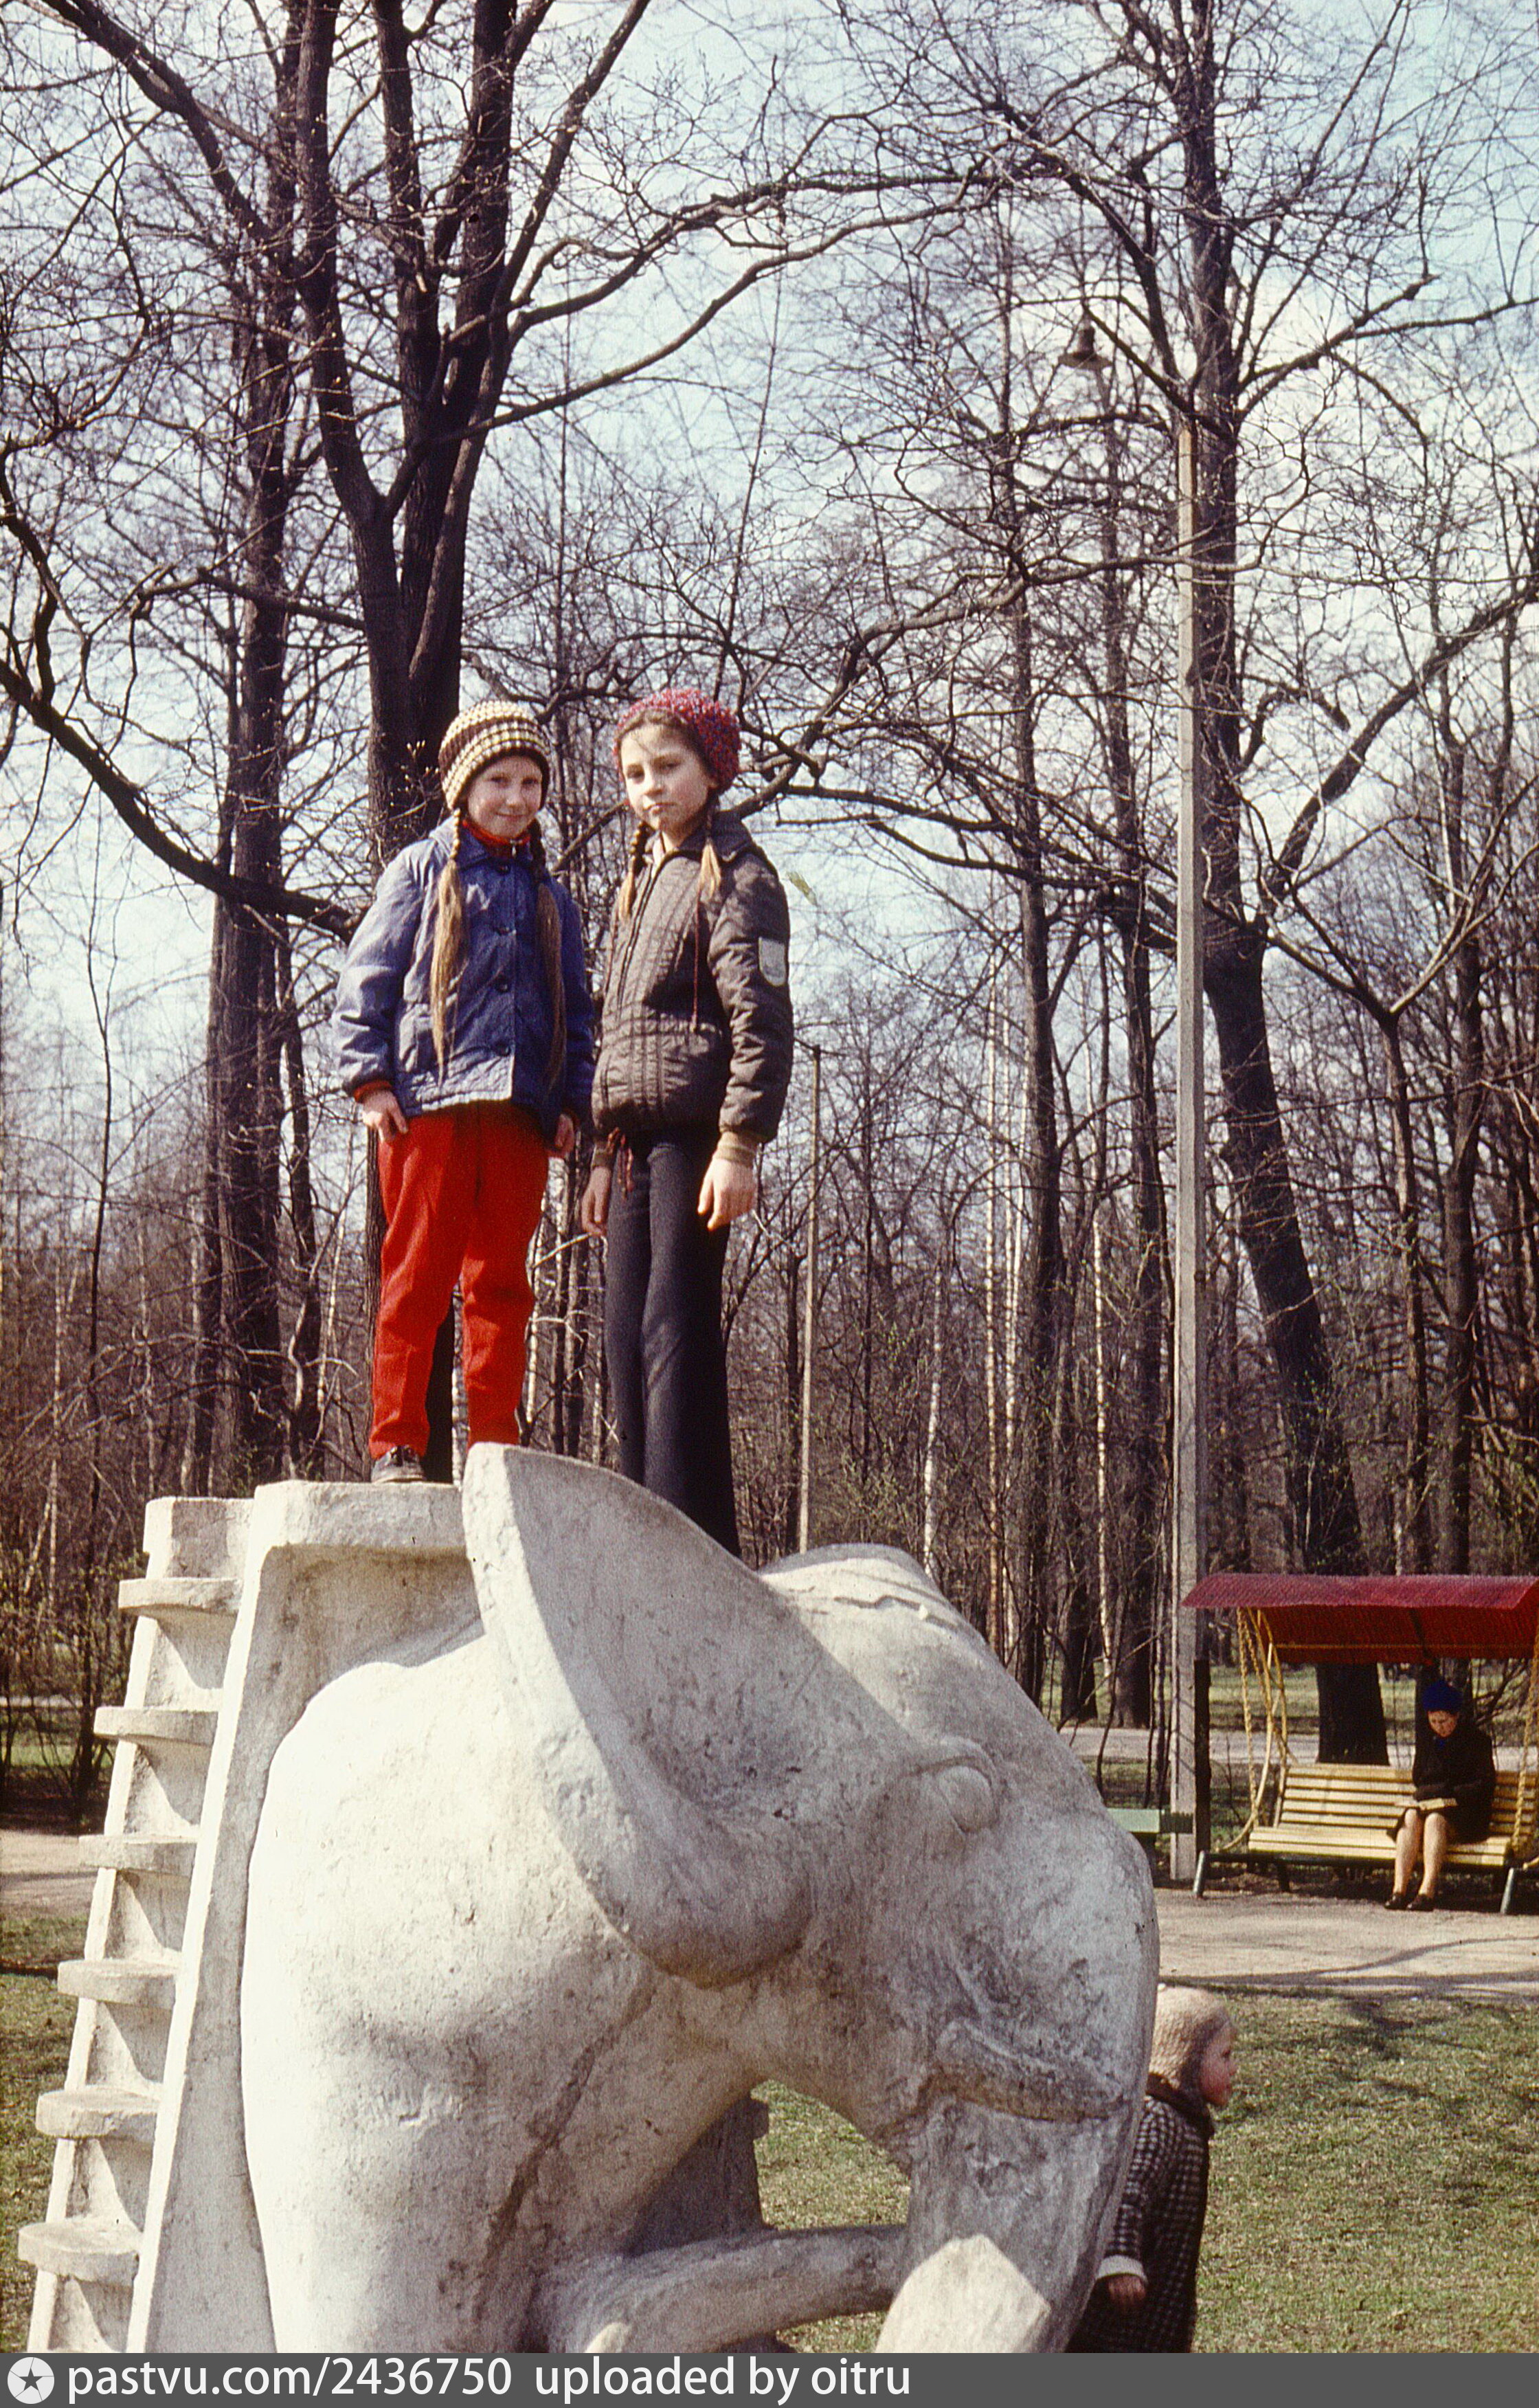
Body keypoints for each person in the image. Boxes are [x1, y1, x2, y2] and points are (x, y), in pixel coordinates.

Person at [333, 699, 594, 1482]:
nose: (515, 798)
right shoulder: (420, 870)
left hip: (519, 1113)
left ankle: (494, 1453)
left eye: (529, 783)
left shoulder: (553, 899)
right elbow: (367, 978)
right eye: (497, 781)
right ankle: (396, 1442)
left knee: (502, 1285)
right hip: (429, 1108)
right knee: (416, 1277)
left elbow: (576, 1012)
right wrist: (370, 1080)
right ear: (464, 788)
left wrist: (569, 1102)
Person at [578, 687, 793, 1555]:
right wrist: (600, 1155)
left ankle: (691, 1547)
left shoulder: (739, 875)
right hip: (631, 1145)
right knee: (624, 1339)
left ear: (712, 769)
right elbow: (617, 1031)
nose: (650, 788)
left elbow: (762, 1021)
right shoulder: (641, 878)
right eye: (635, 775)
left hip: (696, 1141)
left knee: (675, 1329)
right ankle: (640, 1539)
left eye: (667, 768)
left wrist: (739, 1146)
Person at [1069, 1986, 1235, 2354]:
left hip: (1157, 2309)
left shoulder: (1186, 2121)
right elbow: (1128, 2189)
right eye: (1224, 2056)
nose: (1233, 2068)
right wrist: (1120, 2260)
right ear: (1187, 2057)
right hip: (1120, 2321)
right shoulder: (1159, 2118)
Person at [1385, 1677, 1496, 1910]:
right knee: (1410, 1816)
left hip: (1465, 1814)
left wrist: (1449, 1795)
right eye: (1434, 1721)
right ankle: (1399, 1890)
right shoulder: (1428, 1742)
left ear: (1456, 1716)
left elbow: (1483, 1785)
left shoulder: (1477, 1741)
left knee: (1435, 1820)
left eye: (1444, 1721)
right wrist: (1431, 1796)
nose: (1439, 1726)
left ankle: (1427, 1891)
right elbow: (1419, 1777)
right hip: (1431, 1806)